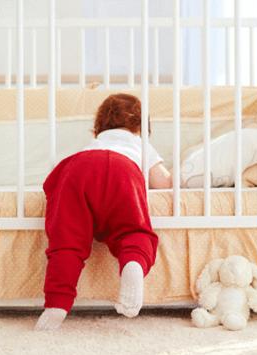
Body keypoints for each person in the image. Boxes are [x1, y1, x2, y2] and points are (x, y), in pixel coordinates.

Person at [35, 93, 172, 331]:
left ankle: (56, 304)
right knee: (132, 230)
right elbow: (163, 183)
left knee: (67, 240)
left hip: (78, 167)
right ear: (140, 127)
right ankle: (133, 263)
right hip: (123, 171)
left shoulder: (95, 143)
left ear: (99, 126)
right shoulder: (140, 145)